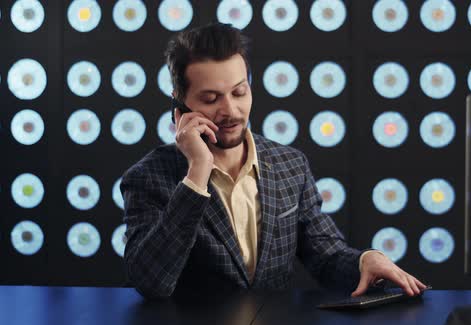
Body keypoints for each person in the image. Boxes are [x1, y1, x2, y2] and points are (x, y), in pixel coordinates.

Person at [120, 22, 427, 299]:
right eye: (211, 99)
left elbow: (326, 255)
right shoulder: (148, 177)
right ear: (180, 103)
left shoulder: (290, 165)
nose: (232, 110)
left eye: (239, 92)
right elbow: (150, 282)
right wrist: (197, 172)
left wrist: (365, 261)